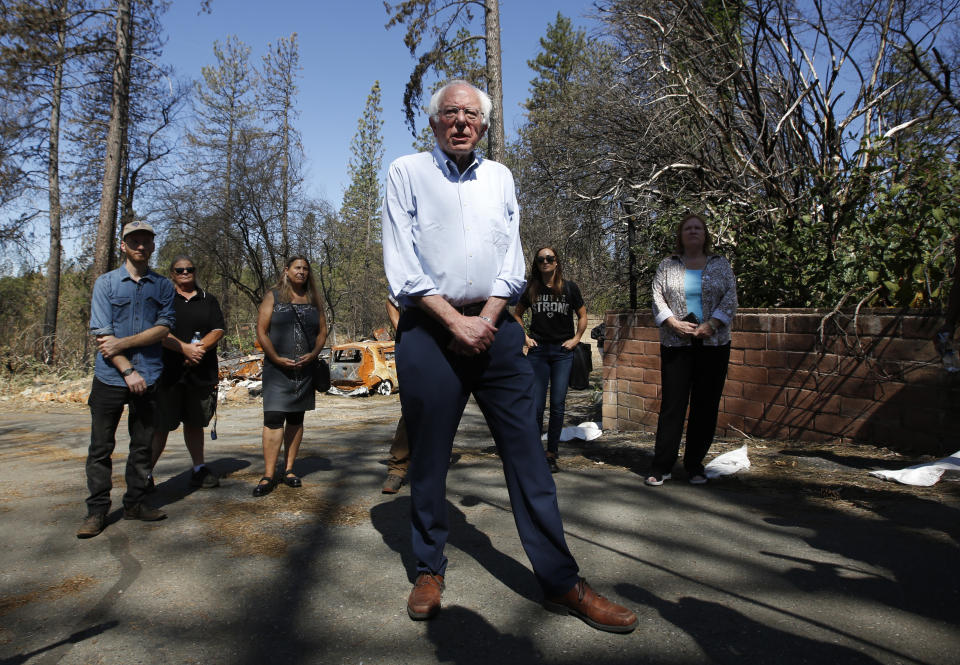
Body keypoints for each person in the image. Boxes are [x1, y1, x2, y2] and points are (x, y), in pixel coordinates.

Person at [382, 79, 637, 632]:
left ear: (484, 124)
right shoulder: (407, 173)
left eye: (472, 114)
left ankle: (562, 581)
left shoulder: (499, 177)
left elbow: (513, 262)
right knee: (428, 457)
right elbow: (402, 264)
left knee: (527, 457)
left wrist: (486, 320)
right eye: (450, 112)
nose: (461, 122)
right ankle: (428, 568)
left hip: (495, 328)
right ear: (433, 122)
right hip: (429, 330)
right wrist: (452, 320)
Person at [77, 220, 175, 539]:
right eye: (134, 241)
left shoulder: (162, 286)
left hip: (150, 376)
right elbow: (103, 336)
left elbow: (164, 328)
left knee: (142, 446)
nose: (141, 246)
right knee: (101, 447)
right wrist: (127, 369)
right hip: (109, 378)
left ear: (153, 245)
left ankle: (135, 503)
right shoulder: (105, 284)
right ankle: (96, 511)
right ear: (123, 245)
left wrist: (125, 344)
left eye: (146, 240)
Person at [648, 212, 738, 486]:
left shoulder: (720, 264)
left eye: (698, 227)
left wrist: (713, 323)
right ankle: (662, 465)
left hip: (713, 343)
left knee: (705, 405)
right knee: (673, 405)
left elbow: (731, 297)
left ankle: (694, 465)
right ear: (681, 234)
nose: (693, 231)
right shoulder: (667, 265)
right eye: (688, 227)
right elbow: (656, 296)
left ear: (705, 234)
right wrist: (673, 323)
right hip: (677, 344)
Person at [253, 256, 327, 497]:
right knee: (273, 418)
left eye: (305, 269)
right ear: (287, 270)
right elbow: (261, 331)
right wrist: (274, 357)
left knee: (296, 419)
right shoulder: (273, 296)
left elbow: (322, 331)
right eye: (297, 268)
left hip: (304, 370)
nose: (302, 272)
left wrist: (314, 354)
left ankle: (290, 470)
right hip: (277, 369)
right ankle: (268, 474)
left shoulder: (314, 299)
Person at [149, 256, 225, 490]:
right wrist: (184, 349)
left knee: (194, 423)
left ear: (195, 271)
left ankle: (198, 469)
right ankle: (145, 474)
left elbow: (218, 329)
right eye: (179, 270)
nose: (185, 273)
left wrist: (198, 349)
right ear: (172, 274)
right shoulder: (164, 299)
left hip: (200, 374)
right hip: (168, 374)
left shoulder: (208, 300)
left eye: (189, 269)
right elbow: (157, 332)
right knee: (161, 426)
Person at [512, 246, 587, 473]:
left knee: (557, 404)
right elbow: (516, 314)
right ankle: (534, 452)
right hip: (538, 352)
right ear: (536, 264)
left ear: (556, 262)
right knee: (536, 406)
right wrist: (525, 337)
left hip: (562, 352)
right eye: (541, 259)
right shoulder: (531, 289)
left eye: (549, 258)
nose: (545, 262)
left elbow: (582, 315)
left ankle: (551, 453)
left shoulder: (569, 288)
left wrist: (576, 339)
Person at [382, 295, 410, 494]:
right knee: (411, 408)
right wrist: (403, 331)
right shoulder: (412, 267)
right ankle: (398, 468)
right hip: (414, 344)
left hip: (452, 344)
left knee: (443, 409)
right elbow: (391, 300)